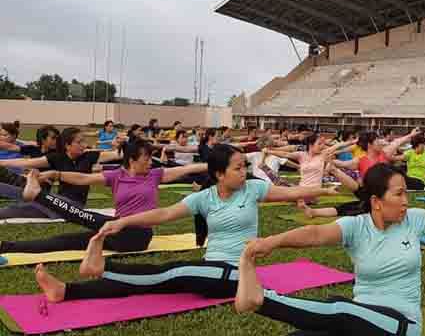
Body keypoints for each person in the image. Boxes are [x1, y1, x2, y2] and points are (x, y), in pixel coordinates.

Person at [32, 144, 339, 304]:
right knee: (158, 281)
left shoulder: (254, 189)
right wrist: (123, 222)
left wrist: (323, 190)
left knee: (172, 271)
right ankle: (67, 292)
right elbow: (164, 214)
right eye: (237, 168)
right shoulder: (205, 197)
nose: (244, 172)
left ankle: (103, 269)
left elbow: (293, 192)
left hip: (236, 273)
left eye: (244, 166)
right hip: (212, 269)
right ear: (219, 174)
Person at [233, 163, 425, 336]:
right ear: (377, 201)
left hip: (400, 325)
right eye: (399, 194)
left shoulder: (412, 220)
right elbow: (315, 233)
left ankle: (261, 300)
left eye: (406, 194)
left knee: (340, 309)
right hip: (360, 319)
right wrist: (272, 241)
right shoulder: (357, 226)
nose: (405, 200)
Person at [0, 140, 208, 257]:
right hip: (115, 228)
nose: (150, 163)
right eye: (146, 159)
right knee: (64, 240)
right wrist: (55, 174)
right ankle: (7, 246)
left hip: (137, 236)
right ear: (132, 160)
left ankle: (36, 195)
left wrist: (217, 163)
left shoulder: (156, 175)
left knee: (82, 215)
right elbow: (84, 178)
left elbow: (191, 167)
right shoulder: (117, 175)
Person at [0, 128, 122, 219]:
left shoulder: (90, 156)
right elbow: (27, 162)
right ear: (67, 145)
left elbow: (119, 154)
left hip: (74, 206)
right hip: (54, 203)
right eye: (79, 142)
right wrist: (2, 163)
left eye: (84, 142)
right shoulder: (57, 157)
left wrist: (126, 143)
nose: (84, 145)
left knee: (32, 198)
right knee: (15, 210)